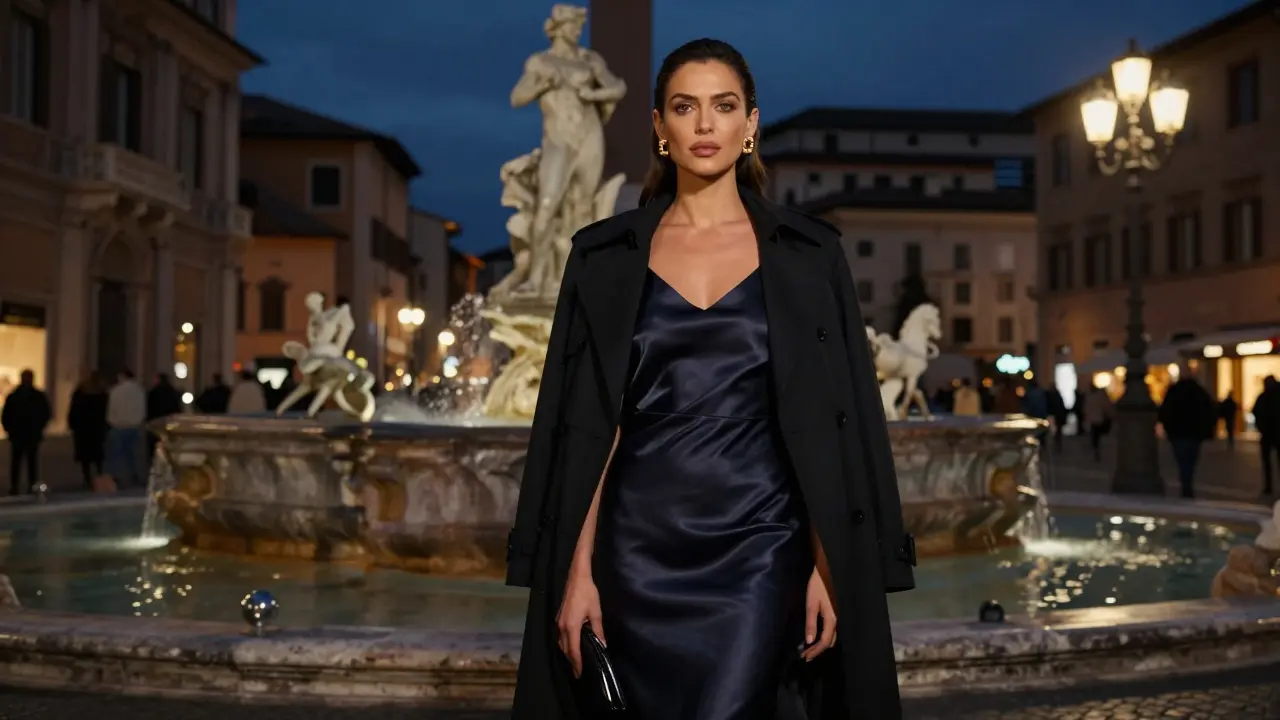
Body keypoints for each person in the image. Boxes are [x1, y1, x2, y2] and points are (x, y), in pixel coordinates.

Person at [507, 39, 914, 720]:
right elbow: (586, 432)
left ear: (750, 124)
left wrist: (827, 564)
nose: (704, 125)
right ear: (659, 128)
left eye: (723, 107)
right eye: (684, 107)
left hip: (760, 546)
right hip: (633, 552)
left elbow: (838, 423)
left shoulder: (810, 258)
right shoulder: (602, 261)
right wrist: (576, 577)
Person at [1157, 368, 1216, 499]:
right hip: (1194, 432)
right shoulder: (1199, 392)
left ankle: (1186, 483)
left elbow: (1165, 411)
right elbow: (1210, 411)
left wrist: (1167, 426)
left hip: (1177, 432)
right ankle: (1187, 483)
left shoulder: (1174, 391)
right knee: (1191, 459)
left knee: (1182, 459)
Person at [1, 369, 51, 495]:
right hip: (20, 433)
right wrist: (9, 430)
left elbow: (45, 413)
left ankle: (29, 485)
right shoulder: (16, 396)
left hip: (29, 433)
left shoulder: (34, 396)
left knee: (29, 462)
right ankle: (16, 486)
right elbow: (6, 415)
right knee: (19, 462)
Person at [67, 370, 109, 488]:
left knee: (85, 456)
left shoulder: (80, 393)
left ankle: (87, 478)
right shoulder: (102, 394)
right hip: (97, 428)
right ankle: (99, 476)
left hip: (83, 429)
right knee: (98, 455)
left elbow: (73, 411)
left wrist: (72, 425)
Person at [105, 369, 146, 487]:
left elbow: (112, 409)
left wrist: (111, 421)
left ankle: (116, 477)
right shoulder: (139, 390)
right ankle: (134, 474)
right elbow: (142, 409)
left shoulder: (116, 391)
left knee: (116, 454)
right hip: (134, 426)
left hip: (118, 426)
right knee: (131, 453)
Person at [1252, 377, 1280, 497]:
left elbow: (1255, 411)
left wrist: (1260, 426)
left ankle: (1268, 486)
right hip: (1276, 433)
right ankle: (1268, 486)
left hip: (1268, 433)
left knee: (1267, 462)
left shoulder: (1263, 396)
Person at [1081, 385, 1115, 462]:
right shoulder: (1099, 397)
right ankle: (1096, 450)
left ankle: (1096, 449)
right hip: (1098, 419)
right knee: (1097, 436)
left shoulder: (1090, 397)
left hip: (1094, 419)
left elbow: (1086, 408)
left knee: (1095, 436)